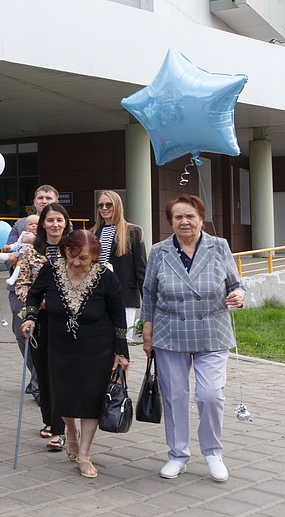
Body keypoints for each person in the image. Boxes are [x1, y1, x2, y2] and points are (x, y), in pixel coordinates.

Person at [141, 195, 244, 482]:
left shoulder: (219, 246)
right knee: (175, 396)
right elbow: (148, 294)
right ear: (170, 221)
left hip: (212, 330)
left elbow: (235, 283)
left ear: (201, 217)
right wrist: (146, 331)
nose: (184, 222)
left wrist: (239, 295)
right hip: (169, 331)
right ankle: (177, 454)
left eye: (190, 216)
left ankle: (213, 452)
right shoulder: (159, 251)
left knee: (210, 395)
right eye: (177, 217)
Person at [22, 231, 129, 479]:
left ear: (94, 257)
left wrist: (121, 352)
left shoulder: (105, 277)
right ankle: (70, 430)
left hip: (97, 347)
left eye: (84, 258)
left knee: (92, 399)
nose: (78, 263)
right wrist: (31, 317)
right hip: (59, 345)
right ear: (64, 251)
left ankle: (84, 454)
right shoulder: (51, 269)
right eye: (73, 256)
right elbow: (35, 294)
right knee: (63, 394)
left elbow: (118, 313)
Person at [14, 202, 72, 451]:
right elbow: (21, 283)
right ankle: (49, 419)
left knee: (62, 374)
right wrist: (36, 302)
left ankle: (61, 430)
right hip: (39, 319)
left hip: (68, 320)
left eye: (59, 220)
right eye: (50, 220)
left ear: (66, 223)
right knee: (44, 373)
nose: (55, 225)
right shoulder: (30, 252)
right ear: (43, 225)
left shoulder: (74, 248)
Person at [6, 185, 59, 400]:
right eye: (40, 197)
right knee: (21, 334)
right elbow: (8, 251)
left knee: (45, 336)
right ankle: (36, 373)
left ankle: (40, 383)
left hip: (52, 293)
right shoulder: (20, 224)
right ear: (34, 201)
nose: (44, 201)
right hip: (22, 288)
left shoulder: (63, 223)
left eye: (48, 197)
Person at [90, 190, 147, 344]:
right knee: (100, 341)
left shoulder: (133, 232)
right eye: (100, 205)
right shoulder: (92, 233)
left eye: (109, 204)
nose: (104, 208)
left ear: (118, 206)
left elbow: (141, 269)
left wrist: (148, 303)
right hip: (98, 294)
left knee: (122, 343)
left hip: (125, 296)